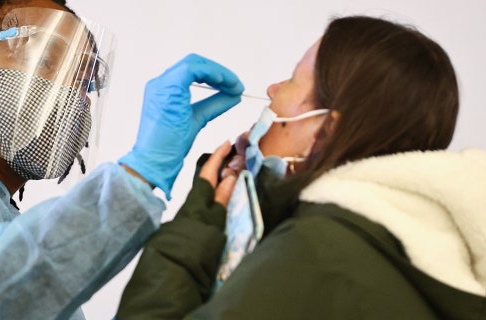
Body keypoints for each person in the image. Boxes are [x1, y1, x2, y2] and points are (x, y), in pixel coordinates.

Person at [0, 0, 245, 318]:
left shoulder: (3, 224)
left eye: (84, 77)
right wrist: (139, 173)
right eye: (45, 60)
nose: (71, 91)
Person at [116, 15, 486, 319]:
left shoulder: (318, 256)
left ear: (326, 129)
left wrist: (193, 230)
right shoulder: (409, 254)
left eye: (293, 79)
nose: (273, 89)